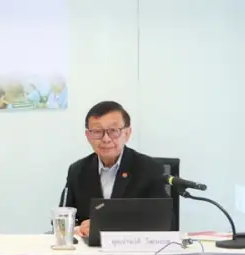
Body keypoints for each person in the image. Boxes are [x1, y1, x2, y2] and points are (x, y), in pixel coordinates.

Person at [62, 101, 169, 238]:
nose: (106, 139)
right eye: (97, 132)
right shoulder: (77, 171)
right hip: (89, 249)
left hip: (133, 247)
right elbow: (62, 218)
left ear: (127, 133)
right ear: (88, 136)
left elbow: (164, 221)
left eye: (113, 131)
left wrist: (109, 225)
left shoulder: (149, 168)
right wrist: (77, 229)